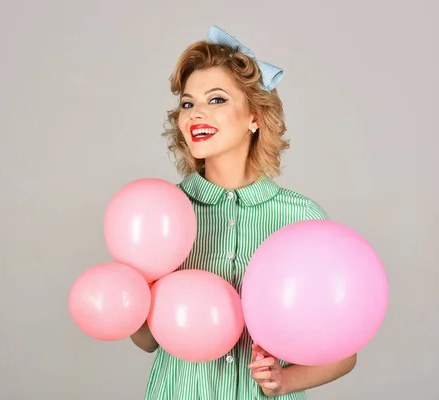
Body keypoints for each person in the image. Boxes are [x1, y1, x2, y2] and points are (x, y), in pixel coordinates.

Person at [131, 25, 357, 399]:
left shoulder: (302, 220)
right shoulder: (161, 214)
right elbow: (147, 341)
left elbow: (344, 351)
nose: (195, 114)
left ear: (254, 116)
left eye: (216, 100)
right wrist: (136, 287)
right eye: (187, 104)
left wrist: (287, 381)